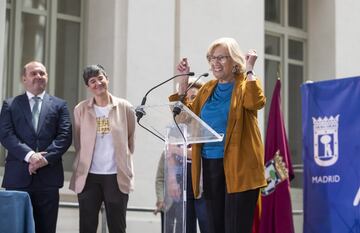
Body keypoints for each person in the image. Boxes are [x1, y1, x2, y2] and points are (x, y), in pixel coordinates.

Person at [169, 37, 267, 233]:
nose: (215, 62)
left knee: (234, 228)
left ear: (234, 62)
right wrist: (182, 85)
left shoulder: (244, 85)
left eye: (221, 58)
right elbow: (183, 120)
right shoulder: (206, 89)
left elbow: (256, 102)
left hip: (240, 169)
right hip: (208, 167)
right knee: (212, 228)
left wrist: (249, 69)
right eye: (211, 58)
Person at [0, 61, 72, 233]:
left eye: (42, 73)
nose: (38, 76)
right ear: (24, 79)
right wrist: (31, 156)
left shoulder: (60, 105)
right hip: (18, 178)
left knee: (46, 229)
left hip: (48, 179)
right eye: (33, 73)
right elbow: (6, 135)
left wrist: (44, 160)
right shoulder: (10, 105)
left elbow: (65, 136)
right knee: (16, 228)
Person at [69, 64, 136, 233]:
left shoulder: (125, 107)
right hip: (89, 177)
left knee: (117, 226)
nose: (98, 83)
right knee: (87, 225)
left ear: (107, 79)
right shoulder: (81, 109)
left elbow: (130, 140)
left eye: (100, 78)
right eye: (92, 81)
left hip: (116, 175)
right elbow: (78, 142)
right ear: (88, 86)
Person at [155, 81, 209, 233]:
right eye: (189, 97)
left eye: (196, 97)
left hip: (203, 186)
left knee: (208, 226)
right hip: (184, 186)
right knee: (186, 228)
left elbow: (200, 152)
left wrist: (178, 151)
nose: (191, 101)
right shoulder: (178, 126)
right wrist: (171, 179)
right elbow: (169, 153)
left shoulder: (207, 125)